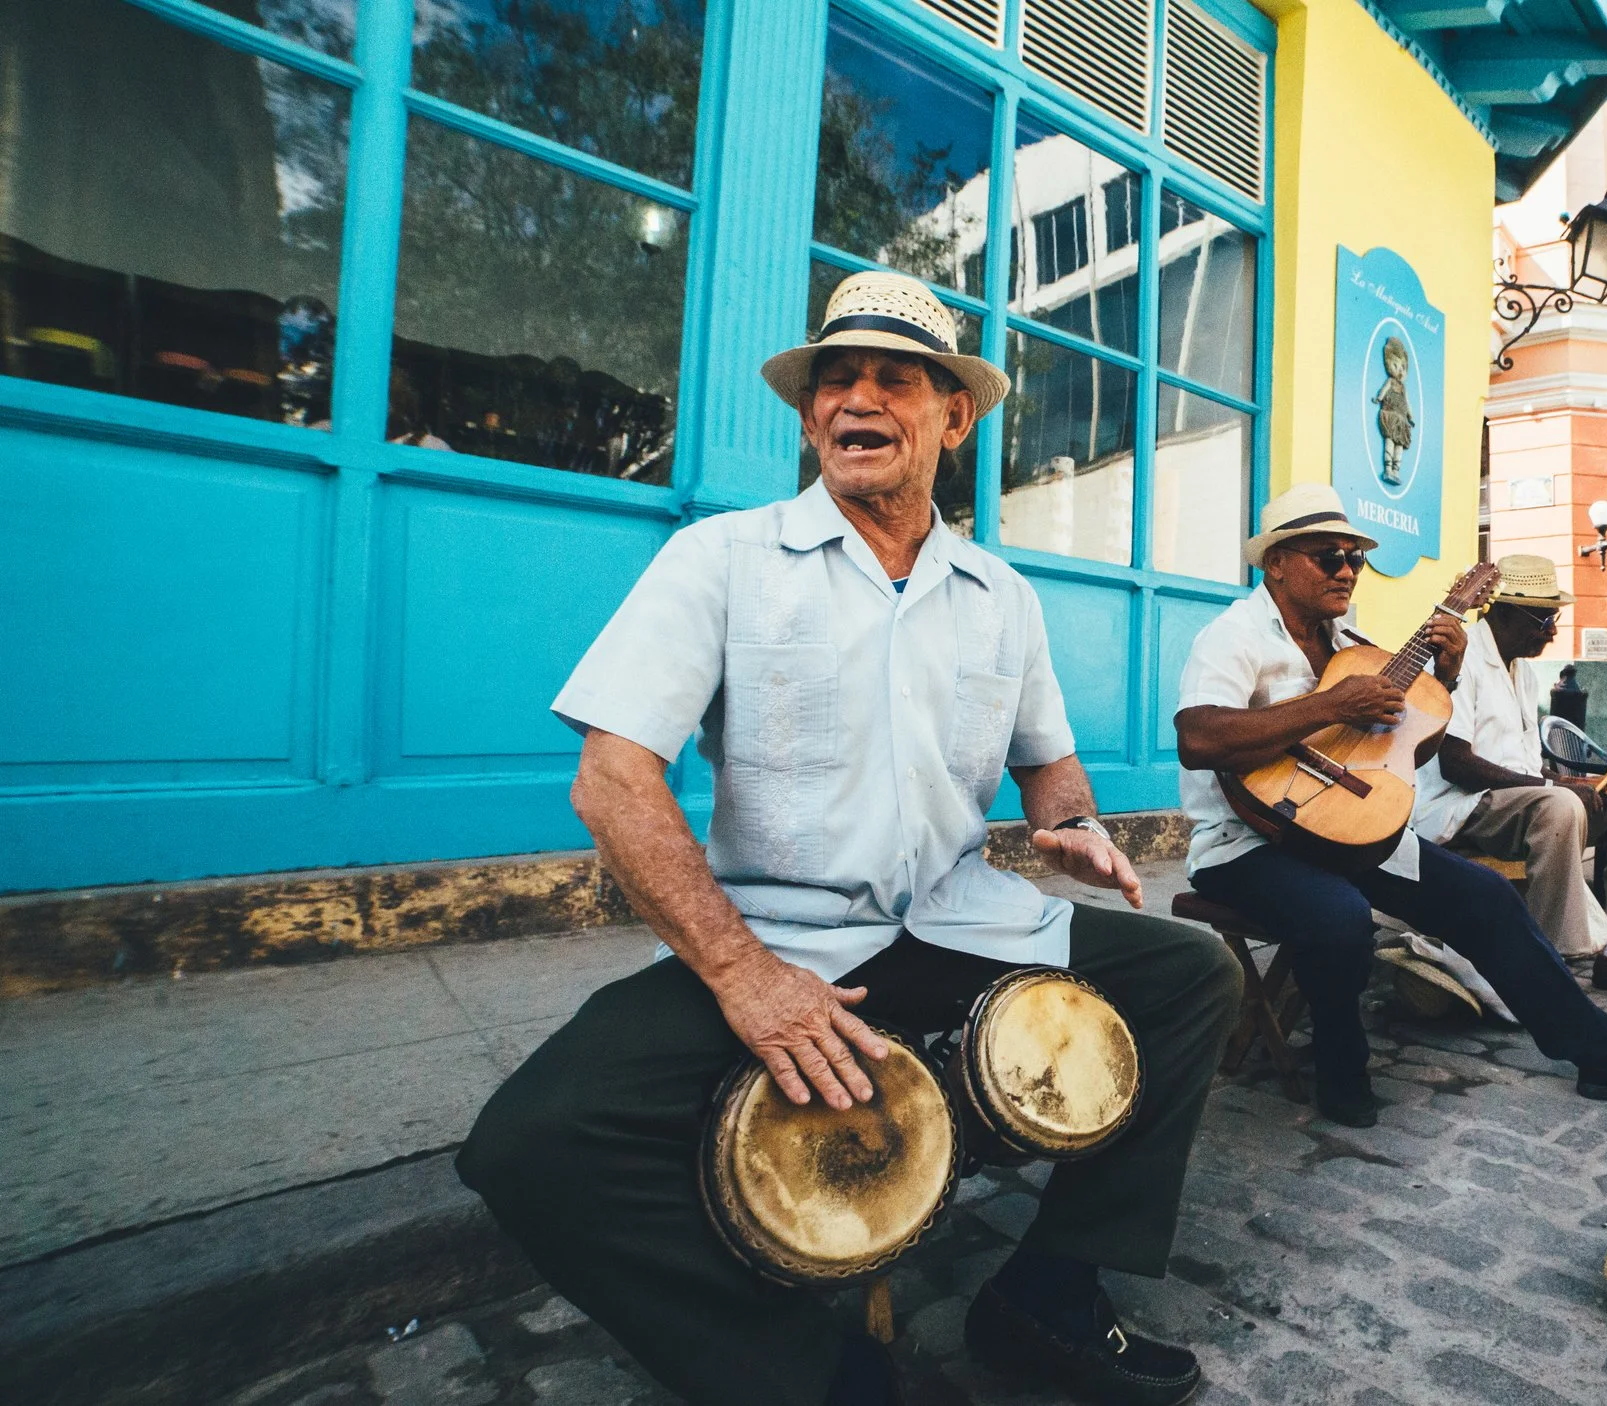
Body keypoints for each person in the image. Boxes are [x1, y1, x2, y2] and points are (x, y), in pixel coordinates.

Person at [455, 272, 1238, 1406]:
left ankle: (1049, 1293)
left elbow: (1045, 764)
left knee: (1190, 977)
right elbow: (612, 780)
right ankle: (808, 1372)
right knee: (534, 1141)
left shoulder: (999, 594)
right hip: (781, 942)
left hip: (961, 923)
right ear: (810, 409)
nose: (856, 398)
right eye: (836, 376)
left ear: (952, 416)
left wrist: (1069, 827)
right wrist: (741, 976)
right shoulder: (722, 559)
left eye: (893, 376)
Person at [1175, 486, 1607, 1128]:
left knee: (1487, 897)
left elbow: (1400, 733)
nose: (1348, 570)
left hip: (1347, 831)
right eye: (1330, 557)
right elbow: (1198, 738)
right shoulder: (1233, 637)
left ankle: (1604, 1054)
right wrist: (1330, 705)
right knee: (1342, 915)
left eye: (1356, 557)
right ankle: (1340, 1068)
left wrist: (1449, 677)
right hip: (1247, 843)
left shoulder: (1353, 640)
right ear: (1278, 563)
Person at [1412, 555, 1607, 994]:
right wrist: (1552, 788)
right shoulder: (1457, 659)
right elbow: (1455, 762)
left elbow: (1522, 762)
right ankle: (1545, 963)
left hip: (1518, 801)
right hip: (1460, 806)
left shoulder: (1523, 671)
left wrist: (1570, 781)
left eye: (1552, 617)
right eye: (1543, 618)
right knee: (1558, 806)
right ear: (1501, 612)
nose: (1552, 631)